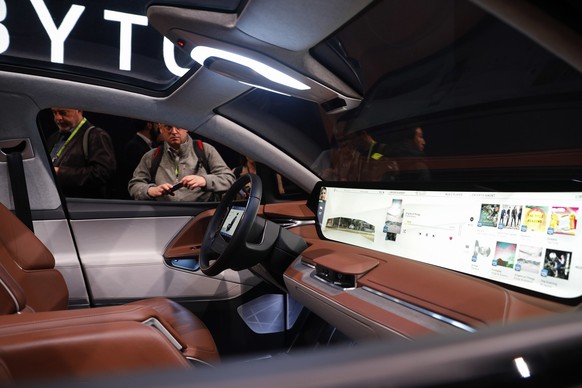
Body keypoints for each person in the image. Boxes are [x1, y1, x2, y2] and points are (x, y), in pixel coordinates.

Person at [128, 124, 235, 201]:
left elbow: (229, 179)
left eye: (178, 126)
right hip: (165, 216)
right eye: (168, 127)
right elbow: (134, 185)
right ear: (161, 128)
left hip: (200, 214)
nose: (174, 132)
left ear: (187, 127)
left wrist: (204, 180)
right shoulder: (151, 156)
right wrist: (150, 190)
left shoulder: (205, 150)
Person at [46, 108, 116, 198]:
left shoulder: (97, 135)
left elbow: (103, 173)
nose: (58, 118)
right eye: (54, 113)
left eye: (63, 113)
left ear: (79, 110)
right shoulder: (53, 138)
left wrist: (60, 173)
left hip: (81, 206)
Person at [118, 120, 161, 198]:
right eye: (156, 124)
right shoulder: (134, 146)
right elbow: (135, 176)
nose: (158, 127)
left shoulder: (153, 144)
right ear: (149, 125)